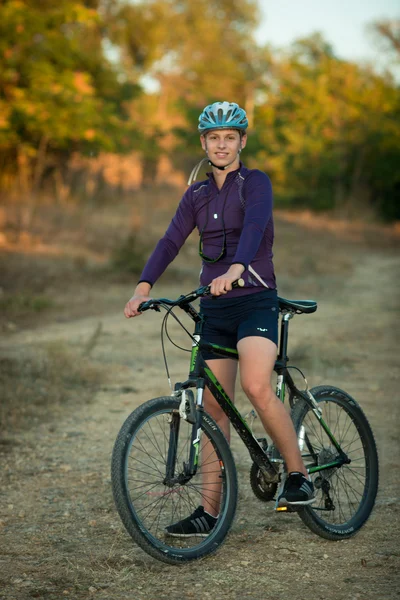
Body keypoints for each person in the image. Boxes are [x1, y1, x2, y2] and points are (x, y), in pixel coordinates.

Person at [124, 101, 314, 537]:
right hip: (214, 306)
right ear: (204, 143)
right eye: (214, 137)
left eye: (230, 137)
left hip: (255, 301)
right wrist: (143, 286)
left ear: (242, 141)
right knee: (212, 408)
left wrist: (236, 268)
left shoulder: (256, 183)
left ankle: (299, 474)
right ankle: (210, 513)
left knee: (256, 384)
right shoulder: (196, 194)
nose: (222, 144)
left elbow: (254, 227)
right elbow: (171, 239)